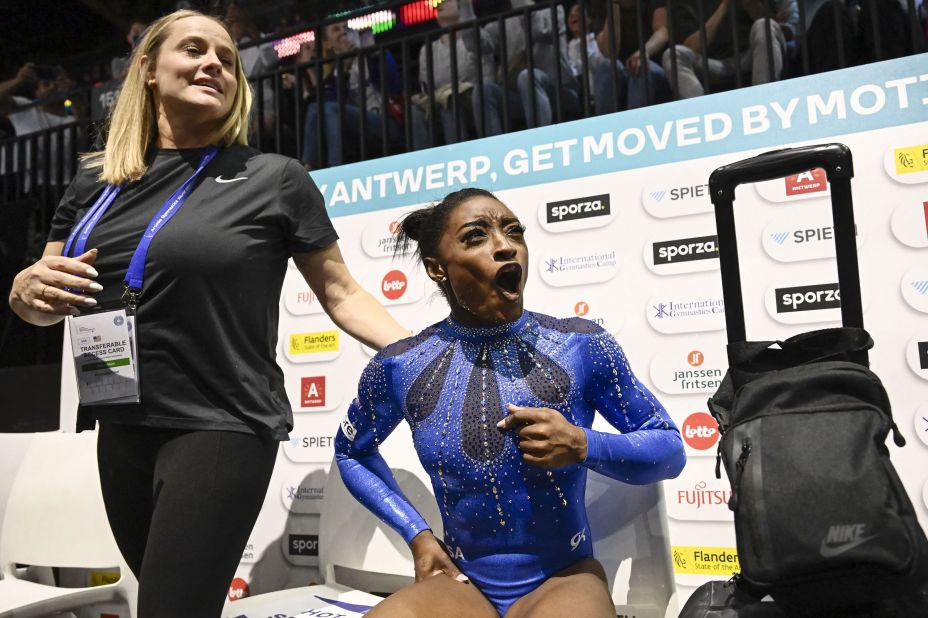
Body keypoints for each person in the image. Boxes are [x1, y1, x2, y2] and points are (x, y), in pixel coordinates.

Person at [7, 10, 409, 617]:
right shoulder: (94, 183)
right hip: (121, 425)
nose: (213, 64)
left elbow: (342, 294)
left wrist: (432, 350)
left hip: (221, 424)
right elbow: (45, 301)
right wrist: (23, 292)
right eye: (194, 49)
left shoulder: (274, 178)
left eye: (226, 57)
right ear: (146, 68)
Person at [334, 188, 686, 617]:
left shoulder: (580, 344)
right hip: (462, 585)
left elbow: (669, 450)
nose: (504, 245)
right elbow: (351, 452)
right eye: (475, 236)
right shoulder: (399, 365)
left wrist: (582, 445)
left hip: (564, 578)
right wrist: (418, 535)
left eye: (513, 231)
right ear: (436, 268)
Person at [301, 21, 403, 168]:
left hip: (385, 125)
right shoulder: (334, 77)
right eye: (336, 29)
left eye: (346, 28)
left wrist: (374, 54)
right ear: (327, 44)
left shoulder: (372, 57)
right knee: (315, 107)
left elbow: (394, 86)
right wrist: (345, 69)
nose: (343, 32)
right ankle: (308, 167)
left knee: (327, 108)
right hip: (357, 135)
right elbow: (332, 112)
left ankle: (333, 168)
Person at [662, 0, 798, 98]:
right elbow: (691, 47)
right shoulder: (686, 5)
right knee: (673, 55)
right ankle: (701, 117)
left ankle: (764, 102)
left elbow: (792, 26)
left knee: (763, 25)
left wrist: (754, 8)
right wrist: (724, 6)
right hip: (718, 66)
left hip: (754, 55)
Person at [589, 0, 673, 113]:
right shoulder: (600, 5)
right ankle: (606, 127)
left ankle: (635, 123)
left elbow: (663, 32)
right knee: (607, 66)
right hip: (623, 74)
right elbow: (610, 52)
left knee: (641, 68)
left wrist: (642, 53)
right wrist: (613, 7)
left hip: (654, 69)